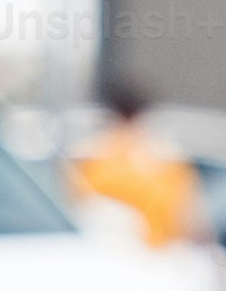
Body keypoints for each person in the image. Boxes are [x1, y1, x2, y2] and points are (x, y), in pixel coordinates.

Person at [63, 80, 196, 247]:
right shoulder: (165, 157)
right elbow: (186, 218)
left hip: (102, 253)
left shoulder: (90, 155)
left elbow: (73, 206)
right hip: (157, 254)